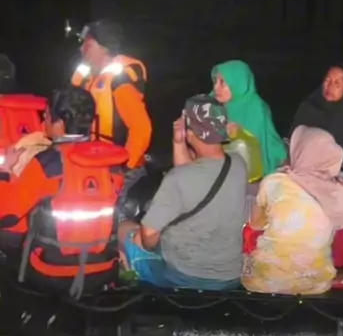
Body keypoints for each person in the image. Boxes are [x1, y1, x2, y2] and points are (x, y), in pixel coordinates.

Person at [0, 86, 128, 296]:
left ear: (59, 124)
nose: (43, 122)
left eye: (47, 117)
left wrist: (5, 171)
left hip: (50, 270)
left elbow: (6, 214)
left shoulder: (48, 165)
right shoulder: (112, 163)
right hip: (103, 267)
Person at [119, 94, 247, 290]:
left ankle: (132, 285)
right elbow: (191, 176)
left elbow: (149, 236)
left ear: (190, 131)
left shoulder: (177, 180)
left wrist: (147, 243)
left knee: (124, 229)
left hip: (181, 277)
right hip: (229, 277)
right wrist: (179, 143)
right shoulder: (238, 164)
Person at [242, 126, 343, 295]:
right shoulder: (340, 195)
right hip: (314, 287)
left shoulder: (274, 183)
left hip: (266, 282)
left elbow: (255, 224)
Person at [71, 19, 152, 206]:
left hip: (118, 167)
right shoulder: (85, 78)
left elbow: (141, 128)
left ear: (104, 48)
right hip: (92, 162)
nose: (82, 49)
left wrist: (124, 168)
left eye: (88, 44)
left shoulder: (120, 82)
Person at [290, 63, 343, 171]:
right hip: (300, 171)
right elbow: (291, 146)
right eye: (327, 80)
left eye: (337, 83)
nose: (330, 87)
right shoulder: (308, 108)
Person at [211, 60, 286, 176]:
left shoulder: (255, 108)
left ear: (238, 83)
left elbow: (258, 150)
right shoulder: (212, 105)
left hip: (258, 168)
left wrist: (240, 132)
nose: (216, 87)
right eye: (215, 81)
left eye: (222, 83)